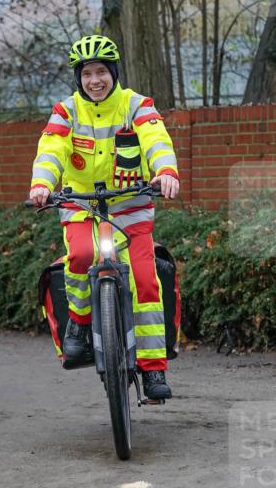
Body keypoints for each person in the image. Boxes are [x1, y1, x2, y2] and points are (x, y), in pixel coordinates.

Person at [29, 35, 180, 400]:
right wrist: (42, 184)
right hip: (82, 207)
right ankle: (79, 326)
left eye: (101, 72)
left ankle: (153, 371)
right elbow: (51, 150)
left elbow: (156, 139)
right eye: (87, 74)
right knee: (79, 257)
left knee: (145, 281)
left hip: (130, 210)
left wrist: (166, 171)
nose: (94, 80)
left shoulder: (136, 105)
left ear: (113, 73)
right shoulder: (66, 111)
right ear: (78, 78)